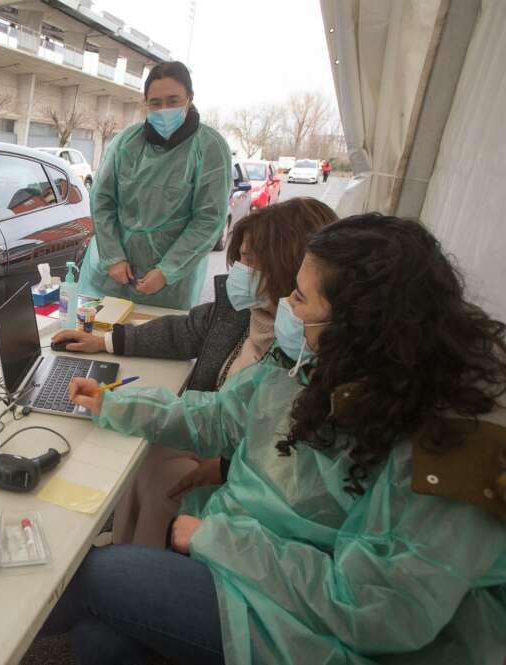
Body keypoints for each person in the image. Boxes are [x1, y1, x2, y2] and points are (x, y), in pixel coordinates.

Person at [40, 214, 506, 665]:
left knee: (96, 577)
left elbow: (380, 612)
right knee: (103, 628)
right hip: (254, 562)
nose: (287, 305)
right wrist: (114, 403)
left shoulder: (452, 445)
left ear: (360, 324)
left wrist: (217, 540)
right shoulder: (317, 361)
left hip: (315, 627)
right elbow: (219, 418)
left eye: (301, 298)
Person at [52, 197, 338, 547]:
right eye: (240, 259)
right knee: (142, 457)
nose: (239, 270)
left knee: (160, 480)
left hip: (242, 479)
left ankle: (139, 565)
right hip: (216, 440)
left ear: (288, 267)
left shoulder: (302, 354)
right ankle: (127, 548)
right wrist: (108, 344)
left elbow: (285, 463)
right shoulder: (243, 312)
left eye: (250, 261)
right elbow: (184, 337)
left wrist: (224, 468)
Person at [78, 61, 232, 309]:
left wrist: (168, 270)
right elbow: (102, 201)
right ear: (145, 102)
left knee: (156, 340)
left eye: (173, 101)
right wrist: (113, 257)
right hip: (114, 277)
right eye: (155, 103)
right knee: (98, 340)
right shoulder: (126, 143)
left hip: (170, 287)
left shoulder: (209, 147)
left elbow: (208, 219)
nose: (164, 110)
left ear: (190, 98)